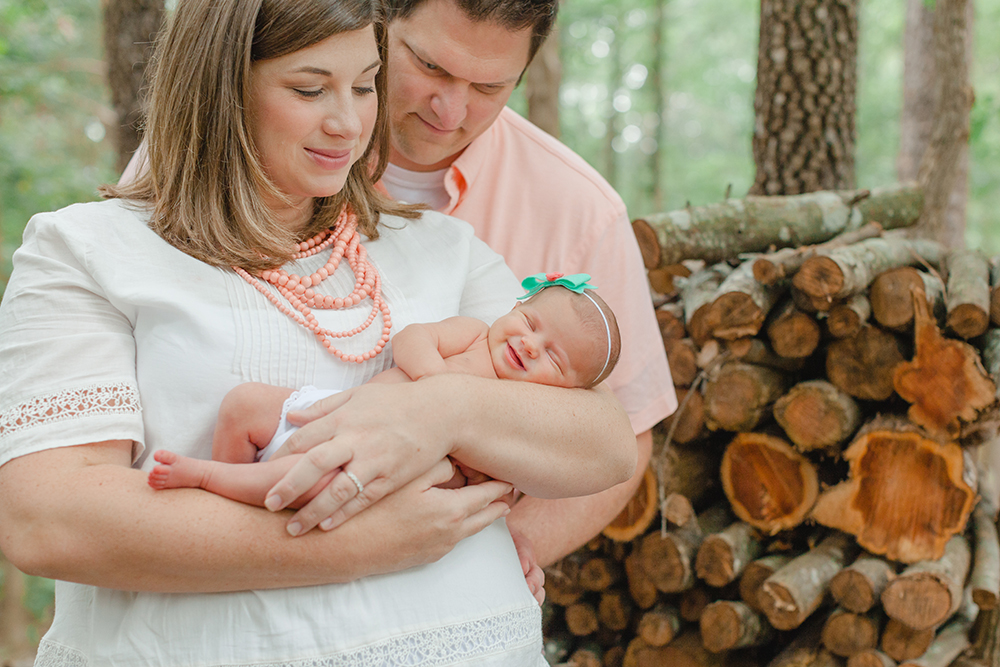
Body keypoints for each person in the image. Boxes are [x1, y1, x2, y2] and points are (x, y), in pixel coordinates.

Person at [0, 1, 638, 665]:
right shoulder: (85, 250)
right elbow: (47, 519)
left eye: (365, 86)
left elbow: (607, 444)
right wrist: (357, 544)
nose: (349, 122)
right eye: (310, 89)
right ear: (219, 85)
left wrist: (440, 410)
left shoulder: (442, 248)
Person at [120, 0, 676, 569]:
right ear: (377, 27)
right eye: (431, 67)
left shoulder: (580, 212)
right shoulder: (210, 158)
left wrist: (503, 561)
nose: (450, 108)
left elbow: (623, 434)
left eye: (490, 86)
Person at [148, 274, 623, 511]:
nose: (529, 345)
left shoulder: (520, 415)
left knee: (301, 478)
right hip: (329, 410)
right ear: (516, 304)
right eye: (530, 323)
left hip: (364, 460)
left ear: (567, 392)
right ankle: (217, 505)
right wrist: (439, 385)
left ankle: (210, 480)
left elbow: (487, 480)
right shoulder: (474, 334)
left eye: (554, 358)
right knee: (245, 403)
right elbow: (412, 338)